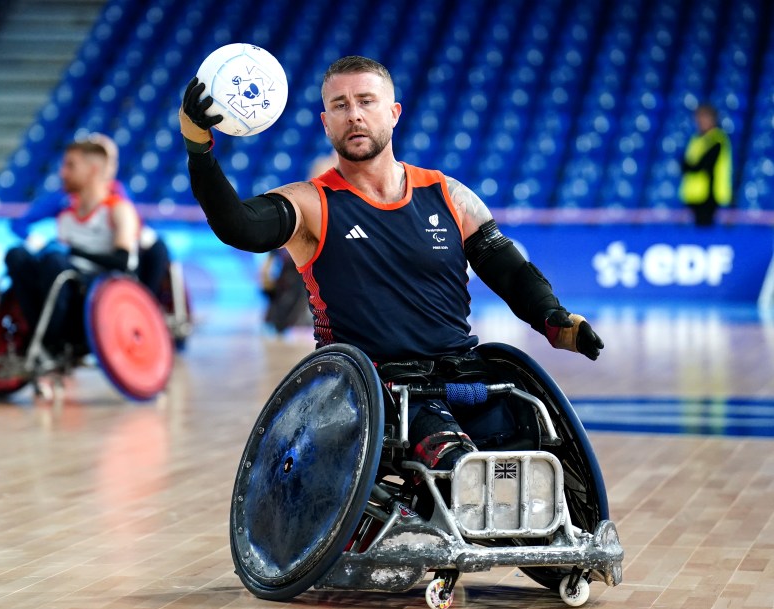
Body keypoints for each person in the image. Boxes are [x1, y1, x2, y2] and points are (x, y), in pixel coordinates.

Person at [179, 55, 603, 473]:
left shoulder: (448, 194)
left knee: (536, 455)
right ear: (325, 123)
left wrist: (553, 319)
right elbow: (239, 227)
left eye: (366, 101)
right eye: (340, 106)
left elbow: (508, 270)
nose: (354, 115)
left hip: (458, 371)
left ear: (394, 112)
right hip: (370, 385)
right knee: (459, 465)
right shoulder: (310, 203)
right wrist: (198, 148)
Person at [4, 139, 140, 353]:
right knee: (16, 255)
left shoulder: (119, 209)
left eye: (70, 166)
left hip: (96, 289)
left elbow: (123, 263)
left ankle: (50, 343)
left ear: (92, 170)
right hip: (62, 278)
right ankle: (39, 335)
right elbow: (18, 224)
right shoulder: (65, 212)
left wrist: (71, 252)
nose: (62, 173)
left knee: (55, 260)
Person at [10, 133, 170, 302]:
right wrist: (38, 242)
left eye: (111, 160)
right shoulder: (64, 201)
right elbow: (20, 223)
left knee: (157, 247)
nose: (62, 173)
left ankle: (146, 303)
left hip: (115, 256)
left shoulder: (119, 200)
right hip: (77, 260)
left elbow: (129, 236)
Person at [679, 104, 732, 227]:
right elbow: (685, 164)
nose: (701, 121)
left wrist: (689, 167)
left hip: (710, 196)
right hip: (694, 195)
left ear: (713, 119)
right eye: (699, 117)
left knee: (706, 231)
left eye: (705, 117)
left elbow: (701, 165)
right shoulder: (696, 139)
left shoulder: (717, 139)